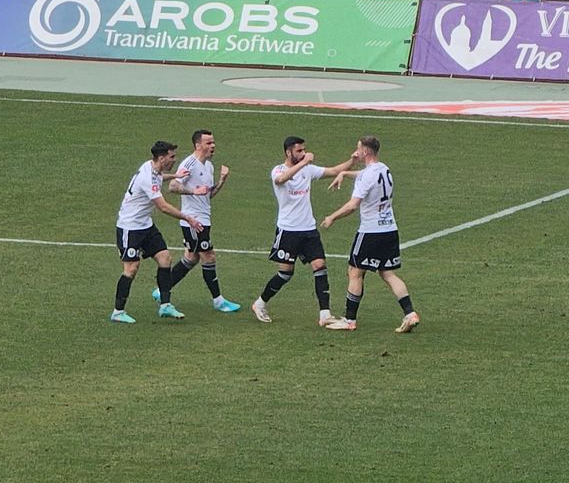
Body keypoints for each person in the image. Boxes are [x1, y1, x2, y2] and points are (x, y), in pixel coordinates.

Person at [252, 136, 358, 326]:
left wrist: (353, 160)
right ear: (288, 152)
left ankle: (325, 315)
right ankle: (260, 304)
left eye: (303, 150)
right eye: (299, 151)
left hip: (308, 229)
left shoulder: (308, 169)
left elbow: (333, 170)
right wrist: (305, 162)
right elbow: (281, 180)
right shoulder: (279, 169)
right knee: (285, 273)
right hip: (288, 230)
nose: (303, 153)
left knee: (320, 266)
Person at [320, 136, 420, 333]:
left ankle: (349, 320)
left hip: (370, 232)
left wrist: (332, 217)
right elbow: (367, 175)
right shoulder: (384, 169)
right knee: (388, 273)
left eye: (358, 148)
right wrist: (346, 172)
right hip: (390, 229)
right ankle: (410, 313)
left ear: (365, 151)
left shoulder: (367, 176)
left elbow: (352, 205)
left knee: (355, 272)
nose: (356, 151)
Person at [111, 141, 205, 324]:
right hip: (130, 228)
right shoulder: (147, 177)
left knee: (165, 258)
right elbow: (163, 207)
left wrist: (175, 175)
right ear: (162, 158)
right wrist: (188, 218)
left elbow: (159, 177)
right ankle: (118, 311)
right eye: (172, 157)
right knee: (131, 268)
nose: (174, 160)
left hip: (145, 225)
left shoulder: (152, 167)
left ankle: (165, 305)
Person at [157, 129, 242, 313]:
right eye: (209, 143)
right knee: (208, 255)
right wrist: (192, 192)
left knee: (192, 257)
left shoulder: (209, 166)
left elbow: (208, 195)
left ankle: (162, 289)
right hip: (193, 220)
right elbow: (172, 186)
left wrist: (221, 180)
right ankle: (218, 300)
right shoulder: (190, 163)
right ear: (198, 145)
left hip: (204, 218)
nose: (213, 146)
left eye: (213, 142)